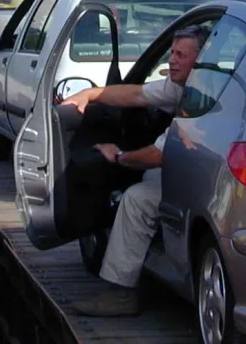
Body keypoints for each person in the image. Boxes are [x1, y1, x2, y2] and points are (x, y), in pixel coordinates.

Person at [59, 24, 209, 317]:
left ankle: (120, 293)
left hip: (205, 180)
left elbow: (156, 155)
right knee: (150, 180)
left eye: (181, 55)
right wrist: (92, 94)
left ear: (200, 61)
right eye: (172, 53)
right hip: (201, 174)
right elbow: (137, 95)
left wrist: (119, 157)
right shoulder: (186, 86)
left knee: (137, 199)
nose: (172, 60)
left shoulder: (201, 98)